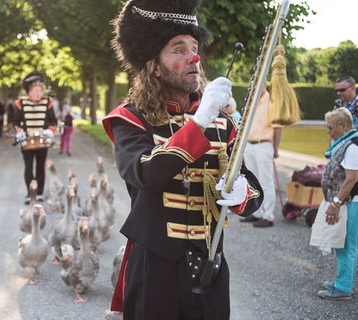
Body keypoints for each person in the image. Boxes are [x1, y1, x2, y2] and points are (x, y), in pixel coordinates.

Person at [102, 0, 264, 318]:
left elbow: (255, 193)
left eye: (194, 46)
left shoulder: (224, 124)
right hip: (154, 267)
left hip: (210, 264)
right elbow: (143, 172)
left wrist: (243, 193)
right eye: (178, 49)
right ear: (154, 65)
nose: (194, 57)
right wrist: (199, 121)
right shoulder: (129, 119)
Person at [314, 107, 358, 300]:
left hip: (350, 202)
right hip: (345, 202)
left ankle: (343, 288)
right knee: (342, 243)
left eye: (331, 127)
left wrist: (335, 203)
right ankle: (342, 282)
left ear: (343, 126)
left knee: (347, 245)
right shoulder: (346, 143)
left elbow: (351, 179)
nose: (329, 131)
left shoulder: (353, 147)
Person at [12, 71, 58, 205]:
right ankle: (29, 192)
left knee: (40, 167)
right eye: (35, 91)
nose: (38, 93)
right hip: (27, 141)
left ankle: (39, 193)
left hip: (42, 140)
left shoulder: (47, 102)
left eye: (40, 91)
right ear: (30, 92)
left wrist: (50, 131)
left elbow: (53, 121)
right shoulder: (21, 103)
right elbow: (14, 122)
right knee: (28, 166)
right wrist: (19, 131)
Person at [240, 84, 283, 228]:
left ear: (264, 85)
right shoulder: (251, 102)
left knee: (266, 181)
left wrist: (275, 149)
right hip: (250, 145)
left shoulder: (272, 102)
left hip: (264, 144)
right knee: (252, 180)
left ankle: (268, 215)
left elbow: (278, 127)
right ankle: (257, 212)